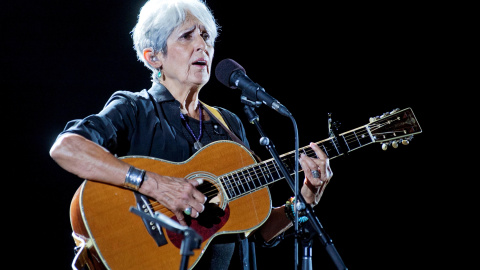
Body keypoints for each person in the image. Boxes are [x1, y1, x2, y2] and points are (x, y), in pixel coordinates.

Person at [49, 0, 333, 269]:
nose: (202, 46)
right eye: (186, 36)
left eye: (206, 37)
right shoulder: (134, 109)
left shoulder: (229, 124)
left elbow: (256, 228)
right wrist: (154, 185)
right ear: (154, 56)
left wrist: (304, 199)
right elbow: (67, 148)